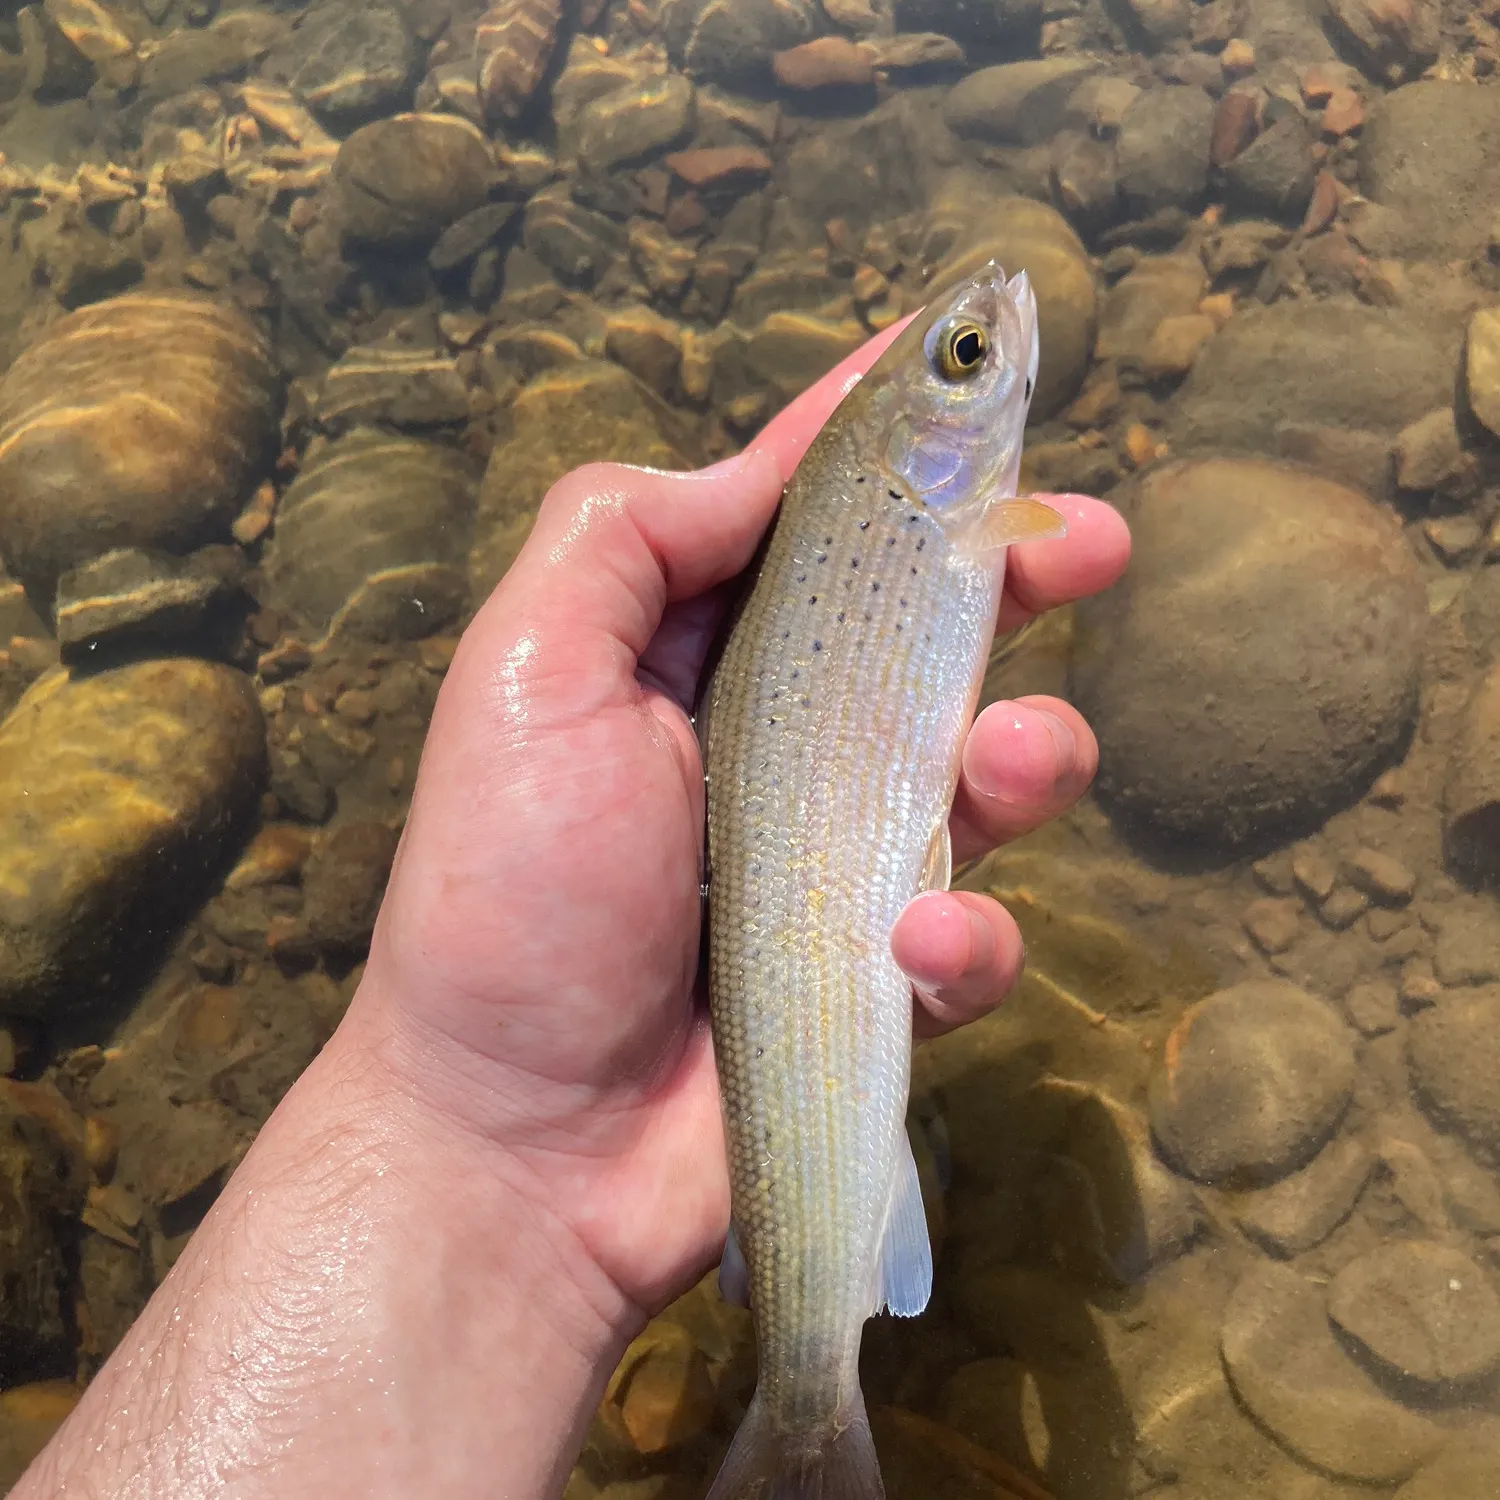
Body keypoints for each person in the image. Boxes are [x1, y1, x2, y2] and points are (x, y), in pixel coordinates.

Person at [15, 321, 1130, 1499]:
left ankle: (810, 1397)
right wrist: (474, 1115)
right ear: (902, 451)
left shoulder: (931, 512)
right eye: (968, 355)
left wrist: (467, 1132)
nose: (998, 338)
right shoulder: (920, 510)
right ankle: (810, 1409)